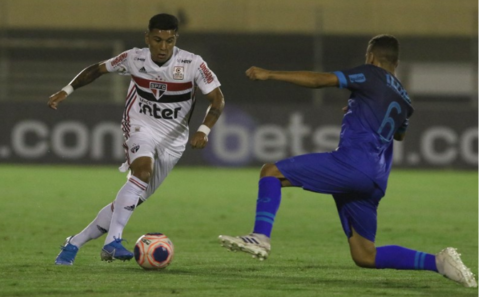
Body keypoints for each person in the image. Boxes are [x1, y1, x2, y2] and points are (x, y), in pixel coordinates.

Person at [218, 34, 477, 288]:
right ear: (395, 63)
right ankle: (439, 262)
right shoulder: (404, 99)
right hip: (375, 179)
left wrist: (271, 74)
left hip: (353, 165)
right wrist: (363, 108)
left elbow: (322, 80)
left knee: (270, 172)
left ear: (371, 57)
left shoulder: (371, 73)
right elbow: (400, 134)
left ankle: (260, 236)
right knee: (365, 255)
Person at [50, 13, 225, 265]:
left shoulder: (192, 64)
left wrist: (204, 129)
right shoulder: (134, 58)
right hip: (140, 125)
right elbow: (96, 69)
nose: (163, 47)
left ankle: (74, 243)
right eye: (157, 40)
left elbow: (217, 99)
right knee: (141, 172)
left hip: (173, 142)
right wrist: (66, 90)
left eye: (169, 41)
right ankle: (113, 242)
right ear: (147, 38)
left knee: (127, 202)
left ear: (176, 39)